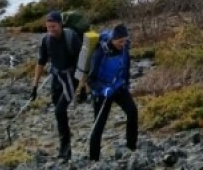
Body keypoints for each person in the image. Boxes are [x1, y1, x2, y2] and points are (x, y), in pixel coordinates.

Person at [30, 10, 82, 160]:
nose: (51, 30)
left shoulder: (71, 37)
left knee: (59, 111)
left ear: (60, 24)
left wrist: (83, 85)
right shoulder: (46, 41)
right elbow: (41, 63)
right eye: (48, 27)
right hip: (56, 78)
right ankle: (65, 148)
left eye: (54, 26)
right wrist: (34, 86)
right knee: (59, 114)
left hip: (72, 78)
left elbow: (83, 62)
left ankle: (65, 150)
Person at [87, 24, 138, 162]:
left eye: (125, 40)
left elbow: (126, 66)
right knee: (99, 124)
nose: (123, 44)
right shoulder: (100, 52)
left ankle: (131, 146)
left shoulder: (125, 48)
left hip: (118, 87)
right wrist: (102, 90)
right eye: (119, 41)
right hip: (102, 91)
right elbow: (91, 80)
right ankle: (93, 158)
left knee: (132, 111)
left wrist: (126, 83)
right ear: (113, 39)